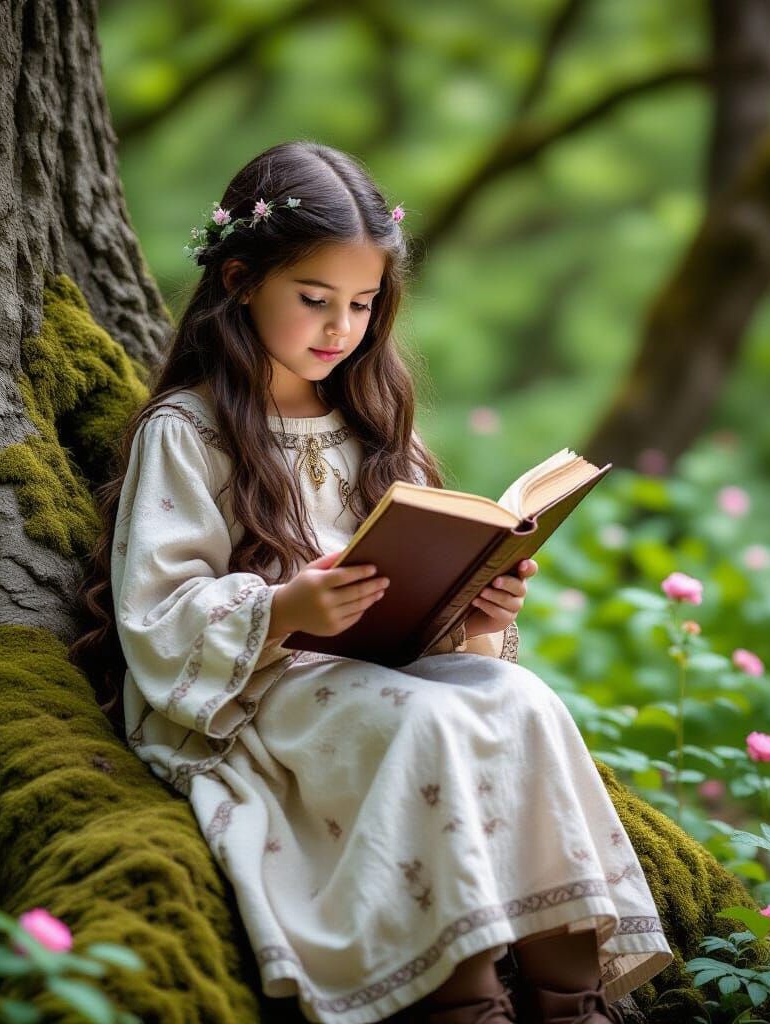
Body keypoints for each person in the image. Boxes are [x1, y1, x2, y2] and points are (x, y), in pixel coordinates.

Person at [71, 140, 673, 1024]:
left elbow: (422, 584)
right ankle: (464, 1001)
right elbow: (158, 606)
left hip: (388, 670)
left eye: (361, 304)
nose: (340, 329)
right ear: (240, 281)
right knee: (426, 722)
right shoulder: (190, 430)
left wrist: (477, 607)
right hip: (258, 694)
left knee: (524, 701)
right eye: (314, 299)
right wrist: (285, 607)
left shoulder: (374, 420)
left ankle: (570, 1000)